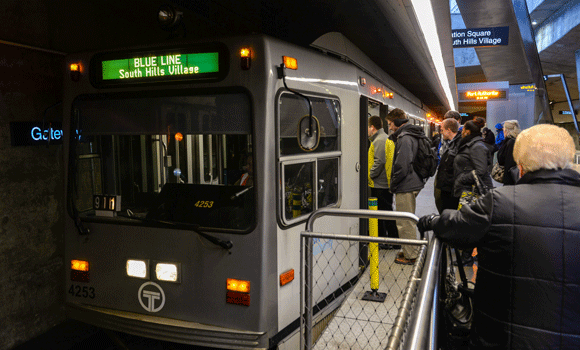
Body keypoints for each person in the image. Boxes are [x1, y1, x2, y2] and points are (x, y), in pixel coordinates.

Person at [418, 124, 580, 349]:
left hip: (500, 336)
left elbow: (456, 227)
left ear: (520, 167)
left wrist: (434, 221)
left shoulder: (500, 202)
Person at [386, 108, 426, 265]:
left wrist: (393, 184)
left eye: (390, 124)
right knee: (406, 218)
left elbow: (402, 165)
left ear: (396, 122)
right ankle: (408, 249)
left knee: (404, 221)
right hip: (413, 181)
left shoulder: (404, 138)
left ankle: (411, 256)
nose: (389, 127)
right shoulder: (411, 135)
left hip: (406, 184)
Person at [367, 115, 398, 247]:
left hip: (380, 184)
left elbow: (379, 161)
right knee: (385, 212)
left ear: (372, 127)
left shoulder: (379, 140)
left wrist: (370, 175)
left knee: (384, 213)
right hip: (382, 183)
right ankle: (390, 240)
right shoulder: (382, 138)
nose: (367, 130)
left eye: (368, 127)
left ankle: (391, 241)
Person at [434, 118, 461, 214]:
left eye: (442, 130)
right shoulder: (450, 143)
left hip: (451, 188)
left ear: (449, 130)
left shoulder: (459, 144)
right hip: (447, 186)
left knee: (450, 213)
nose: (441, 133)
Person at [497, 120, 520, 185]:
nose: (503, 131)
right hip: (513, 177)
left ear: (507, 130)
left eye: (503, 129)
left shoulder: (511, 142)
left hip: (511, 178)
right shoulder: (516, 140)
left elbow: (506, 161)